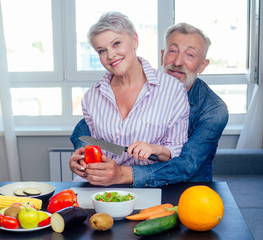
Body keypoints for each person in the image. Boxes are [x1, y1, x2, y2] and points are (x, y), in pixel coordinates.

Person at [69, 22, 228, 187]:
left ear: (202, 65)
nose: (178, 61)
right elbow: (84, 129)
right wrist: (86, 160)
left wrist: (124, 173)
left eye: (190, 55)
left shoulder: (214, 110)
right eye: (172, 51)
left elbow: (186, 165)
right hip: (134, 187)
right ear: (162, 56)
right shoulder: (137, 89)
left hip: (190, 190)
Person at [70, 12, 190, 182]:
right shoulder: (91, 98)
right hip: (101, 187)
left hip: (150, 186)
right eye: (102, 51)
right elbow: (96, 150)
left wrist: (155, 149)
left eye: (116, 43)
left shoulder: (173, 90)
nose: (110, 55)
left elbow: (177, 151)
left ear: (135, 40)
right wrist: (82, 163)